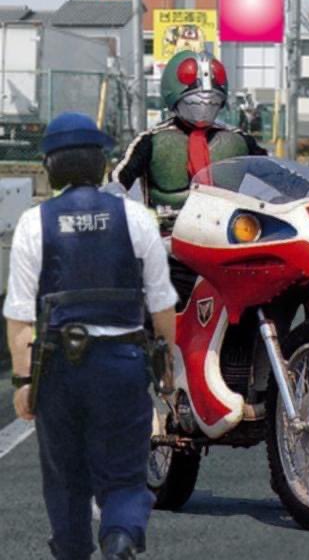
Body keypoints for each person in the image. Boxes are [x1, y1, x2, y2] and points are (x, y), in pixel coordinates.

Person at [4, 112, 178, 559]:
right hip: (122, 362)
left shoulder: (34, 223)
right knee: (124, 472)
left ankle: (72, 548)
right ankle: (119, 535)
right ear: (102, 163)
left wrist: (23, 383)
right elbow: (162, 304)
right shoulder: (136, 219)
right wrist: (167, 368)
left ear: (51, 167)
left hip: (58, 366)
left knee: (65, 477)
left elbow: (20, 316)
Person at [111, 50, 267, 213]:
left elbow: (273, 172)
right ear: (175, 99)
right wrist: (117, 201)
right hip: (167, 225)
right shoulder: (151, 140)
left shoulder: (238, 139)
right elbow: (118, 178)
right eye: (194, 102)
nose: (204, 105)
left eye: (212, 101)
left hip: (227, 223)